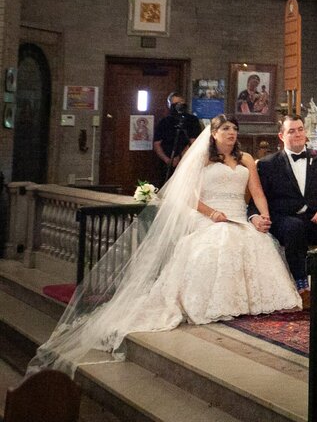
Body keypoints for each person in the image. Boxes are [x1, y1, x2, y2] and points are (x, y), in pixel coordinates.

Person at [29, 115, 299, 376]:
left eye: (234, 129)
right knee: (219, 241)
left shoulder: (247, 159)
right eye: (226, 129)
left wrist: (264, 218)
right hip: (209, 215)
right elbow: (189, 196)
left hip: (238, 215)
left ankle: (251, 300)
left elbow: (258, 192)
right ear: (214, 133)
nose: (231, 133)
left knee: (257, 240)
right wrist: (212, 213)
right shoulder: (202, 158)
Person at [251, 115, 317, 306]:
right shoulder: (268, 164)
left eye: (300, 129)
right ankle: (303, 288)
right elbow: (256, 200)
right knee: (294, 227)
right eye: (291, 131)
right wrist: (254, 217)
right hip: (285, 221)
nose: (298, 134)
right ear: (281, 136)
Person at [153, 92, 201, 181]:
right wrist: (167, 160)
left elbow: (193, 141)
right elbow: (157, 143)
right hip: (166, 162)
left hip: (187, 161)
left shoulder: (192, 120)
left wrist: (179, 157)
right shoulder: (164, 121)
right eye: (174, 104)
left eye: (180, 104)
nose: (178, 107)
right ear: (169, 105)